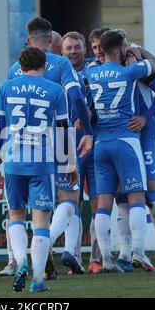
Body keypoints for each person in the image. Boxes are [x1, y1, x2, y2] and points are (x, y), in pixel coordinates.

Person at [0, 17, 93, 278]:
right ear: (51, 40)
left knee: (16, 212)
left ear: (28, 41)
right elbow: (75, 96)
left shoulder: (10, 75)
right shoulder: (60, 65)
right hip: (53, 146)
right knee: (69, 199)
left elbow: (0, 121)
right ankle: (51, 245)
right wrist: (86, 130)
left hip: (16, 150)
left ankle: (16, 260)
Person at [0, 46, 77, 293]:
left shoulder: (6, 87)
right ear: (44, 65)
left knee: (15, 215)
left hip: (14, 162)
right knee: (41, 222)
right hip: (42, 163)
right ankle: (38, 279)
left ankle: (20, 261)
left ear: (20, 64)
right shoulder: (55, 90)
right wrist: (70, 163)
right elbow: (63, 129)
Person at [83, 30, 155, 272]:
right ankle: (139, 252)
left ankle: (106, 259)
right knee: (136, 197)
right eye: (124, 46)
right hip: (126, 141)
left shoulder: (91, 72)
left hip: (101, 144)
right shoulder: (129, 71)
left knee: (103, 203)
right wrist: (138, 52)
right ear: (117, 50)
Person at [115, 43, 155, 272]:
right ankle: (125, 254)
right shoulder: (111, 71)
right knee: (123, 197)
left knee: (150, 194)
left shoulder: (138, 68)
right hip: (122, 136)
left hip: (145, 135)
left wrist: (145, 117)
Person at [61, 31, 101, 274]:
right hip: (68, 147)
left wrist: (90, 115)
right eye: (69, 48)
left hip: (93, 144)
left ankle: (97, 257)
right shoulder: (58, 74)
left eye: (77, 47)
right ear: (62, 52)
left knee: (98, 202)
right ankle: (74, 257)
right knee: (71, 205)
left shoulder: (94, 72)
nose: (73, 51)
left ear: (84, 49)